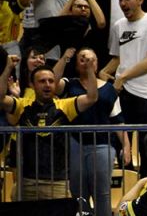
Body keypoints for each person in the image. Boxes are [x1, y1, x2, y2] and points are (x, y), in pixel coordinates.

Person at [0, 53, 98, 200]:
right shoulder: (22, 105)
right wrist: (8, 68)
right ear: (32, 85)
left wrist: (90, 70)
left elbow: (91, 97)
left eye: (51, 81)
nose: (47, 85)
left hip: (57, 183)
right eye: (42, 81)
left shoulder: (65, 106)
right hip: (27, 181)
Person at [61, 47, 130, 216]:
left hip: (102, 144)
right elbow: (54, 86)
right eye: (82, 59)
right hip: (75, 143)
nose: (86, 62)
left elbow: (117, 121)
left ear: (98, 62)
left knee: (102, 193)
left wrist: (126, 146)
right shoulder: (69, 85)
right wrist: (65, 58)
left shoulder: (109, 90)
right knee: (78, 192)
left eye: (91, 59)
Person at [100, 0, 147, 178]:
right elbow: (118, 58)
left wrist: (123, 76)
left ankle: (145, 189)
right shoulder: (119, 26)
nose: (123, 3)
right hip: (122, 93)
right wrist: (103, 72)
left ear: (140, 0)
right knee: (122, 147)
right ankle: (124, 190)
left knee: (146, 150)